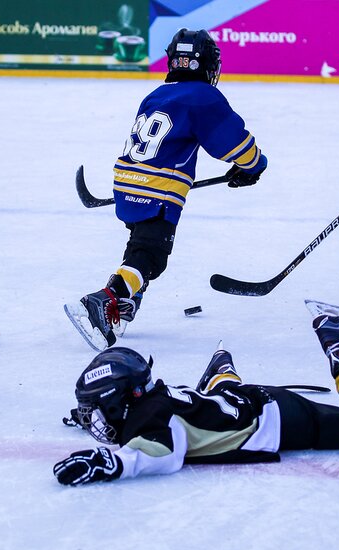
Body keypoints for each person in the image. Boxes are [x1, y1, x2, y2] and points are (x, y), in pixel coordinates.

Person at [64, 28, 268, 351]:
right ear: (207, 65)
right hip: (157, 193)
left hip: (127, 183)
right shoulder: (204, 97)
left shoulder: (156, 95)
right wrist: (253, 165)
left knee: (139, 246)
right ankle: (105, 300)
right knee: (151, 256)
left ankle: (128, 302)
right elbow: (234, 143)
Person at [53, 303, 339, 486]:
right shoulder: (148, 400)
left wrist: (110, 463)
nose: (90, 419)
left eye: (92, 409)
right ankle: (221, 377)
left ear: (117, 402)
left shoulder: (150, 418)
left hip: (277, 419)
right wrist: (88, 415)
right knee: (212, 405)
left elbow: (162, 454)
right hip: (242, 403)